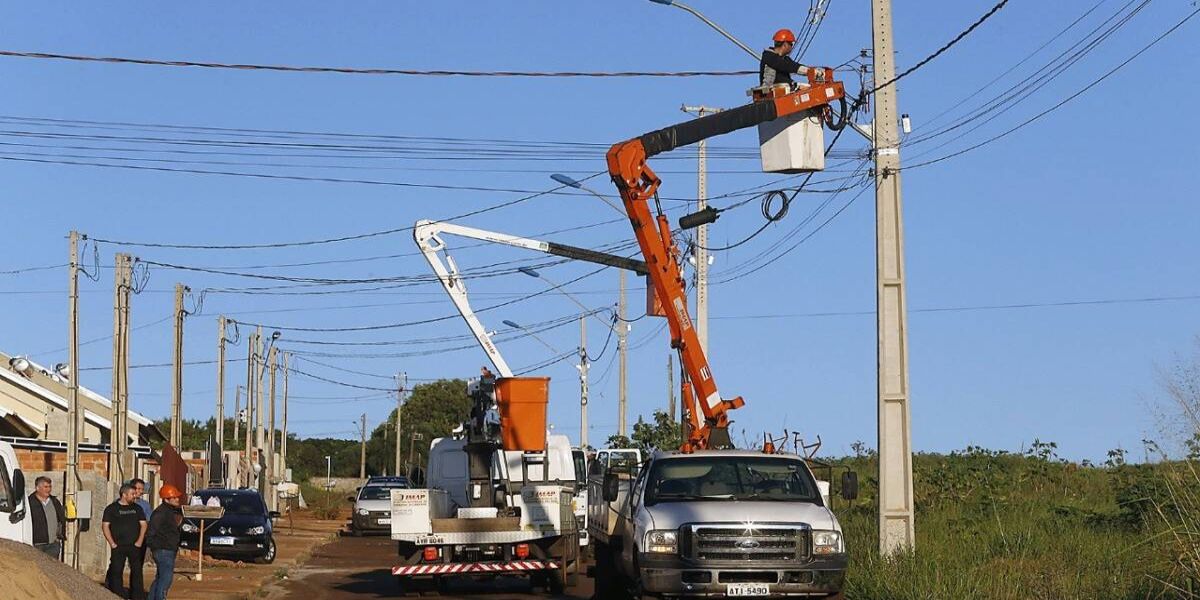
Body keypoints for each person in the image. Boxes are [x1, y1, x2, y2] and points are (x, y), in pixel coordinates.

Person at [103, 483, 148, 600]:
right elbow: (105, 526)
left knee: (137, 571)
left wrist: (140, 541)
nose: (135, 496)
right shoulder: (111, 509)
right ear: (124, 494)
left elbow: (143, 525)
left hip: (134, 545)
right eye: (132, 494)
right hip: (118, 546)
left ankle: (137, 596)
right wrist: (112, 543)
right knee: (116, 571)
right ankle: (117, 595)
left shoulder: (137, 508)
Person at [145, 484, 185, 600]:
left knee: (160, 578)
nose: (177, 499)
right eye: (174, 497)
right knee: (166, 579)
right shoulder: (161, 513)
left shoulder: (169, 511)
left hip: (167, 549)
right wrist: (155, 547)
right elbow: (151, 532)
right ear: (166, 499)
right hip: (163, 550)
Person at [28, 476, 65, 560]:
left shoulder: (55, 501)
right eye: (45, 487)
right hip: (37, 545)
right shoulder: (30, 503)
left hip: (53, 544)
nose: (48, 489)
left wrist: (59, 536)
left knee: (52, 567)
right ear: (37, 488)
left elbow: (61, 519)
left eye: (50, 486)